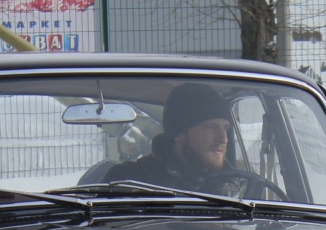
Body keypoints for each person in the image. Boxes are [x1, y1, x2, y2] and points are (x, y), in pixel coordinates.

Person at [100, 81, 281, 200]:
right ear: (179, 133)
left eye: (225, 128)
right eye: (210, 127)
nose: (223, 138)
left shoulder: (241, 187)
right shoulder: (128, 183)